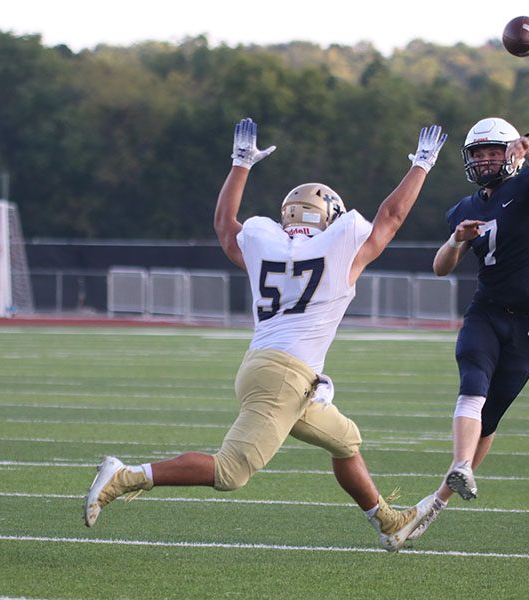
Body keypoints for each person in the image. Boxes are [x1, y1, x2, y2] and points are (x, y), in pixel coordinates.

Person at [83, 117, 448, 552]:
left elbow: (224, 223)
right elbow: (392, 215)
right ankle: (124, 476)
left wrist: (241, 164)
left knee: (345, 440)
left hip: (273, 370)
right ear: (329, 217)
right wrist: (422, 164)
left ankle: (387, 521)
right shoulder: (341, 248)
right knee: (230, 472)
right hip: (284, 378)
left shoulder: (266, 243)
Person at [407, 116, 529, 540]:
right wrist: (457, 239)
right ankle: (460, 465)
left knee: (490, 415)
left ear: (510, 152)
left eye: (493, 151)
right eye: (478, 154)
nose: (485, 160)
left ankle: (437, 501)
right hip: (487, 310)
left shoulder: (527, 187)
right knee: (472, 381)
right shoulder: (466, 208)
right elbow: (441, 268)